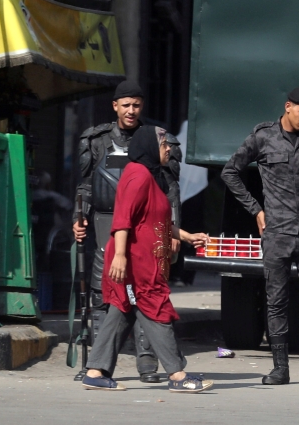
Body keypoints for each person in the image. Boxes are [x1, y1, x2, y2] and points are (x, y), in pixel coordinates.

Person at [72, 81, 205, 383]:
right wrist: (114, 250)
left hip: (143, 252)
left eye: (137, 104)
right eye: (126, 104)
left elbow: (165, 203)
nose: (168, 149)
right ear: (115, 106)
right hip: (130, 255)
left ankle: (99, 369)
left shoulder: (151, 174)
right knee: (149, 307)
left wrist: (182, 235)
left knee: (122, 307)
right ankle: (177, 374)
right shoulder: (130, 168)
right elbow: (115, 210)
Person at [221, 87, 299, 386]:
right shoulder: (264, 136)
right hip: (277, 229)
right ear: (288, 107)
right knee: (276, 299)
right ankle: (280, 368)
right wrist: (256, 210)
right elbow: (230, 171)